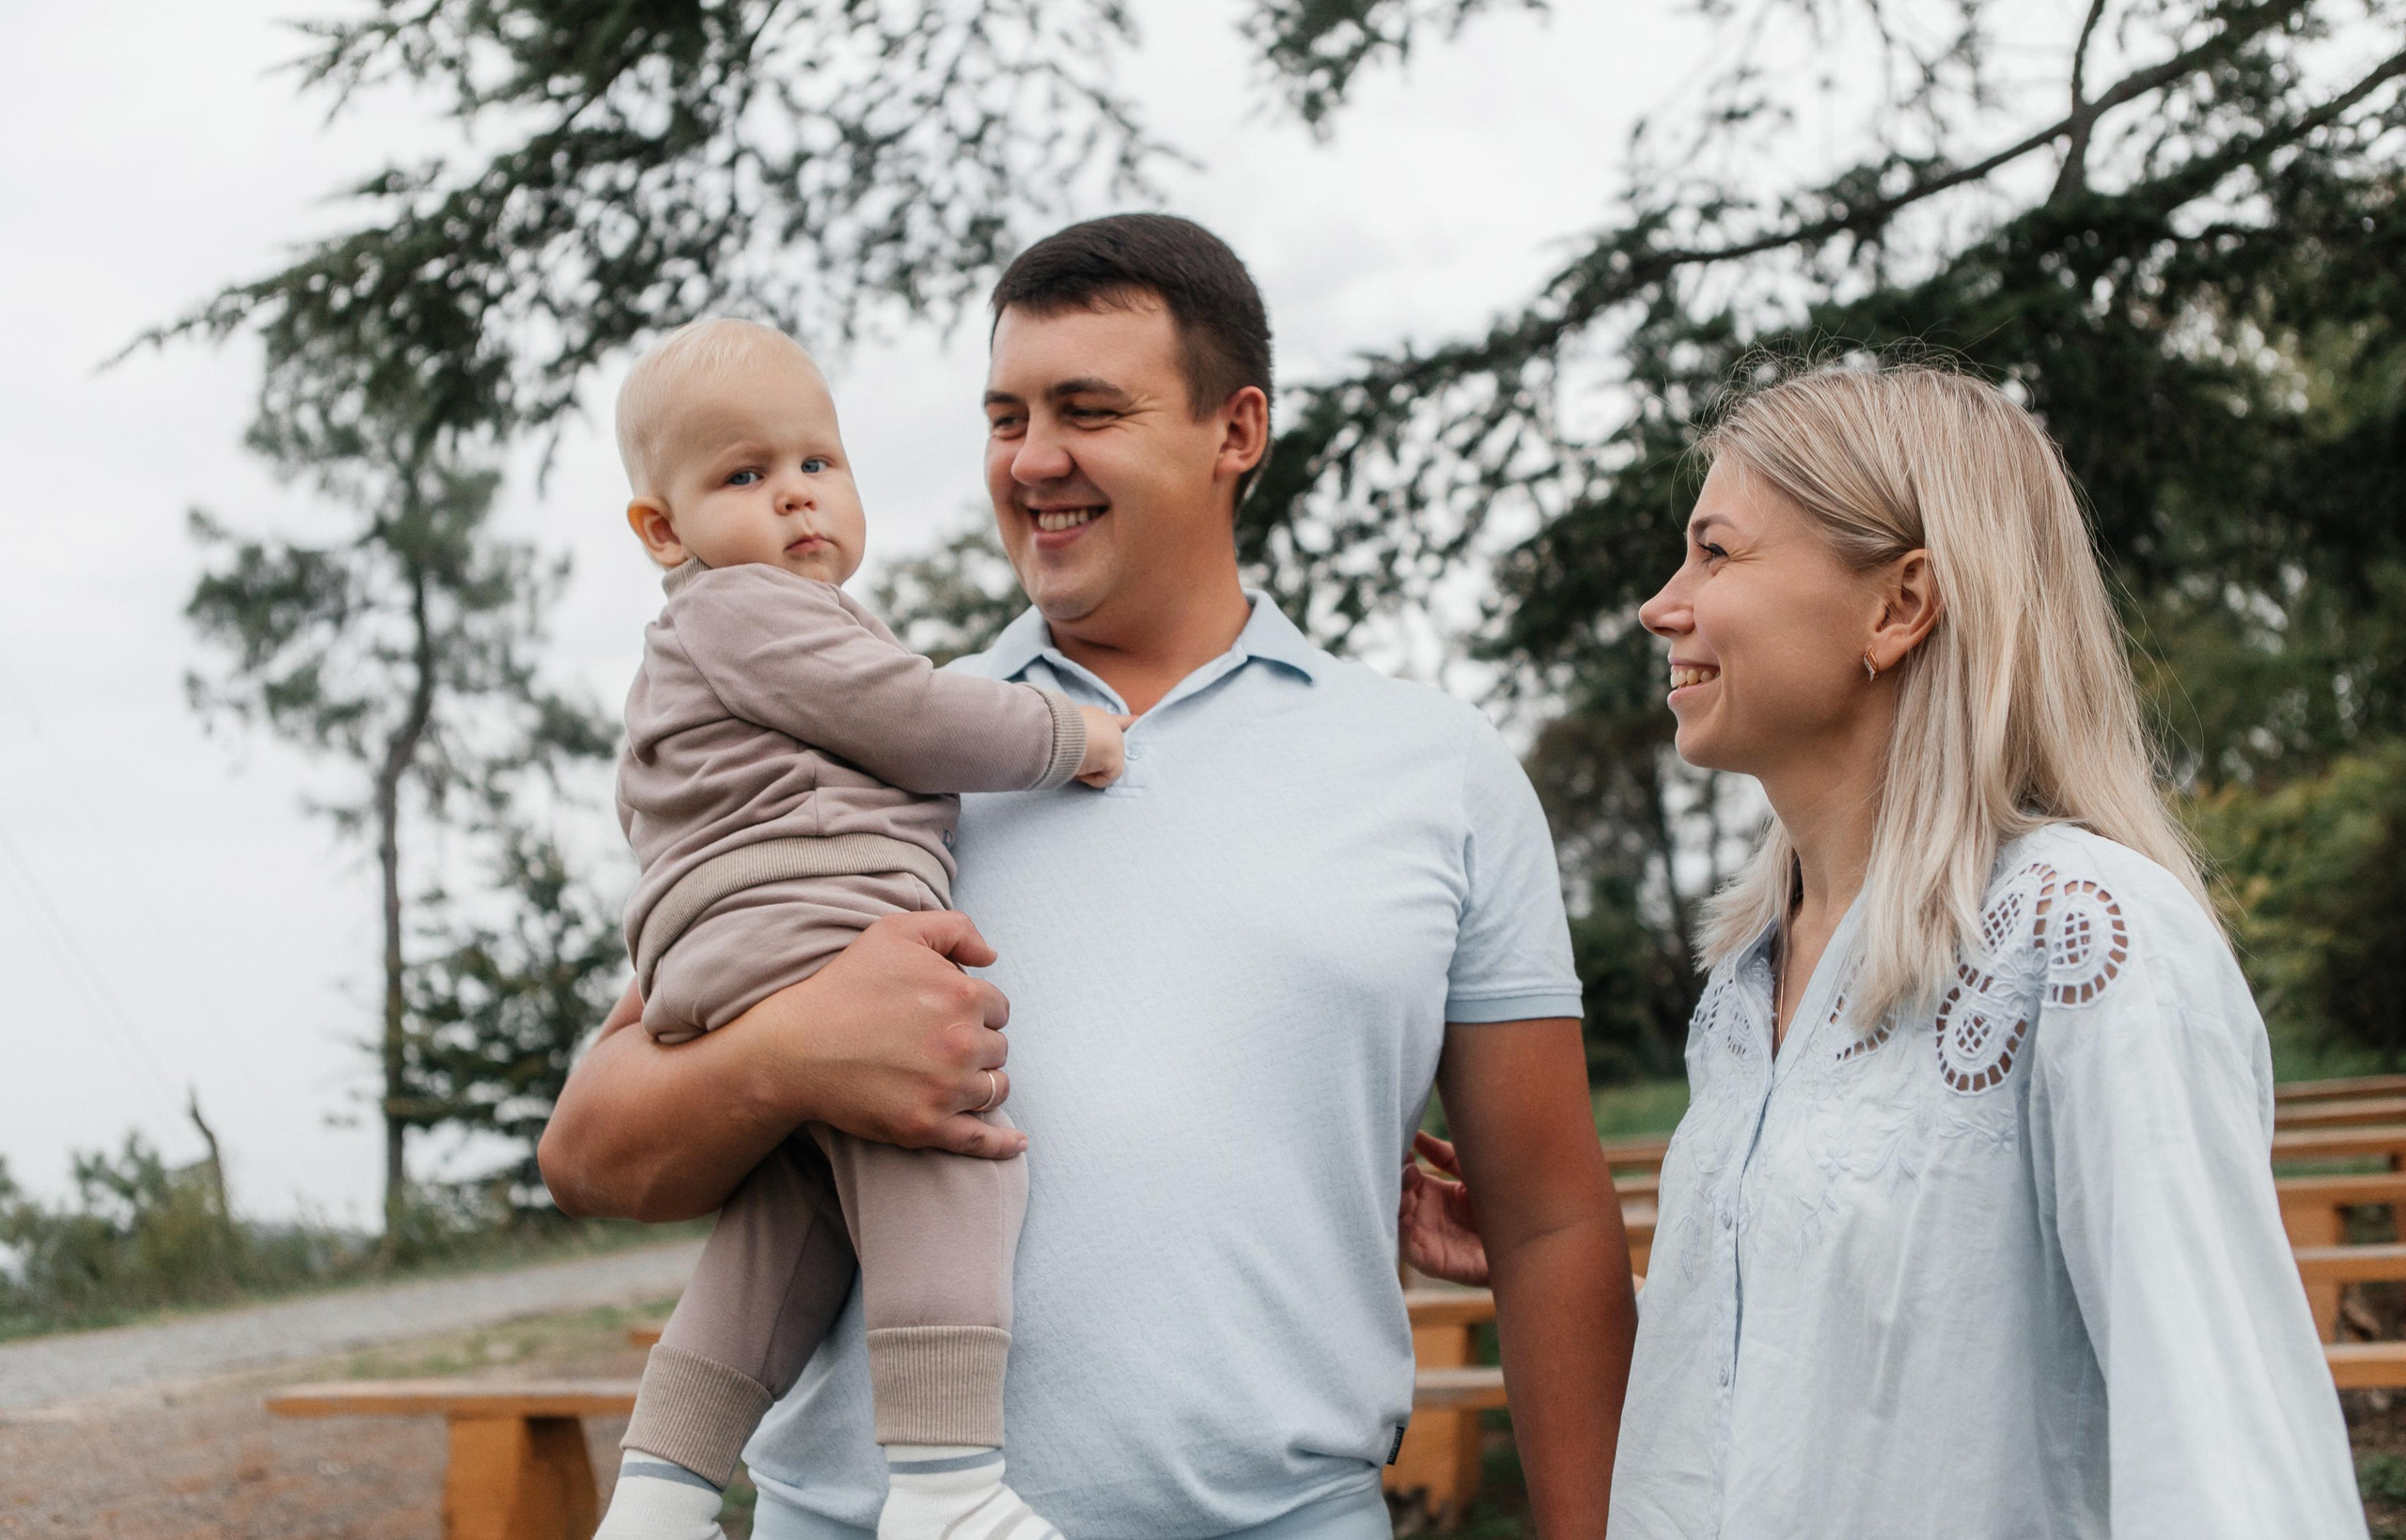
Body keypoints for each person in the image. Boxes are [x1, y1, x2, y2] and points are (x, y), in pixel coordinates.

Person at [540, 213, 1638, 1539]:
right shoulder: (875, 738)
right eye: (1004, 417)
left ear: (1236, 429)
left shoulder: (1436, 766)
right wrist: (788, 1055)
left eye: (1087, 410)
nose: (1032, 458)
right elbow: (590, 1148)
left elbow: (1548, 1225)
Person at [1417, 359, 2361, 1537]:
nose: (1662, 605)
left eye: (1715, 553)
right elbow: (1836, 1390)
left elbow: (2224, 1454)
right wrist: (1566, 1274)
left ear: (1899, 604)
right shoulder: (1745, 985)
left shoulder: (2088, 937)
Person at [594, 317, 1130, 1540]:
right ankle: (947, 1487)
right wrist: (1069, 733)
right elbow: (910, 715)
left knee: (793, 1225)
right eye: (744, 474)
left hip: (740, 951)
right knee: (947, 1140)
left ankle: (660, 1496)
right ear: (663, 530)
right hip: (810, 925)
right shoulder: (744, 607)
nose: (795, 494)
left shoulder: (720, 634)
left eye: (816, 462)